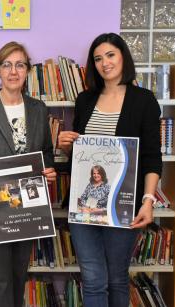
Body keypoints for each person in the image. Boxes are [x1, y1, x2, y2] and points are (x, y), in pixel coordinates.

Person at [58, 33, 162, 307]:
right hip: (84, 207)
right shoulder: (85, 100)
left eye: (111, 55)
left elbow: (152, 157)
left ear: (123, 56)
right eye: (98, 58)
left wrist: (148, 201)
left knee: (116, 277)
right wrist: (69, 147)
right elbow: (82, 159)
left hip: (122, 203)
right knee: (92, 280)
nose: (105, 63)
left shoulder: (144, 100)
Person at [0, 41, 56, 307]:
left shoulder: (38, 109)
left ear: (27, 70)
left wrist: (47, 169)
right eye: (7, 65)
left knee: (18, 275)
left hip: (29, 206)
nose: (13, 71)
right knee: (1, 278)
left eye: (20, 65)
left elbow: (46, 152)